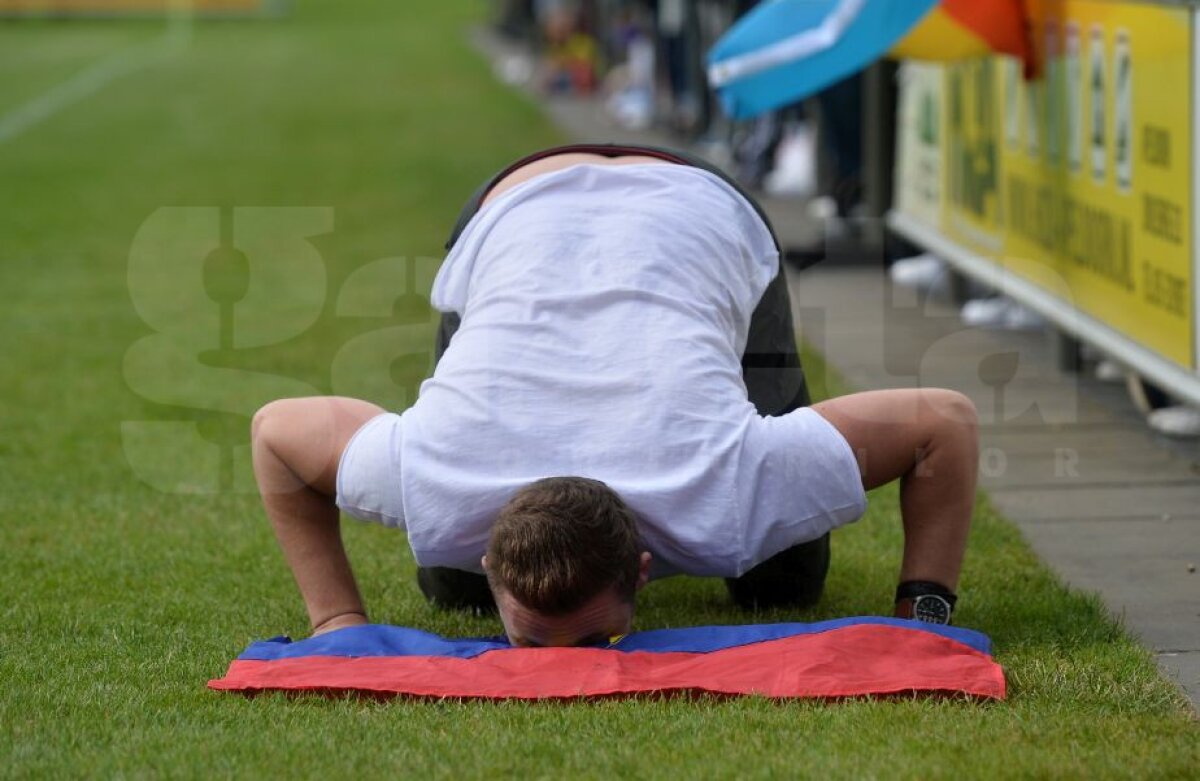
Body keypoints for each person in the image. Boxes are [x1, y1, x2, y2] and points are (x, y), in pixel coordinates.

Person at [250, 143, 979, 647]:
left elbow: (944, 422)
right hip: (514, 209)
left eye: (598, 639)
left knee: (782, 581)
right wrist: (335, 620)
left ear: (643, 569)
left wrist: (926, 615)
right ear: (492, 560)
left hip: (701, 206)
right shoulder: (435, 473)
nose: (568, 669)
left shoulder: (730, 485)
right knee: (448, 586)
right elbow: (273, 432)